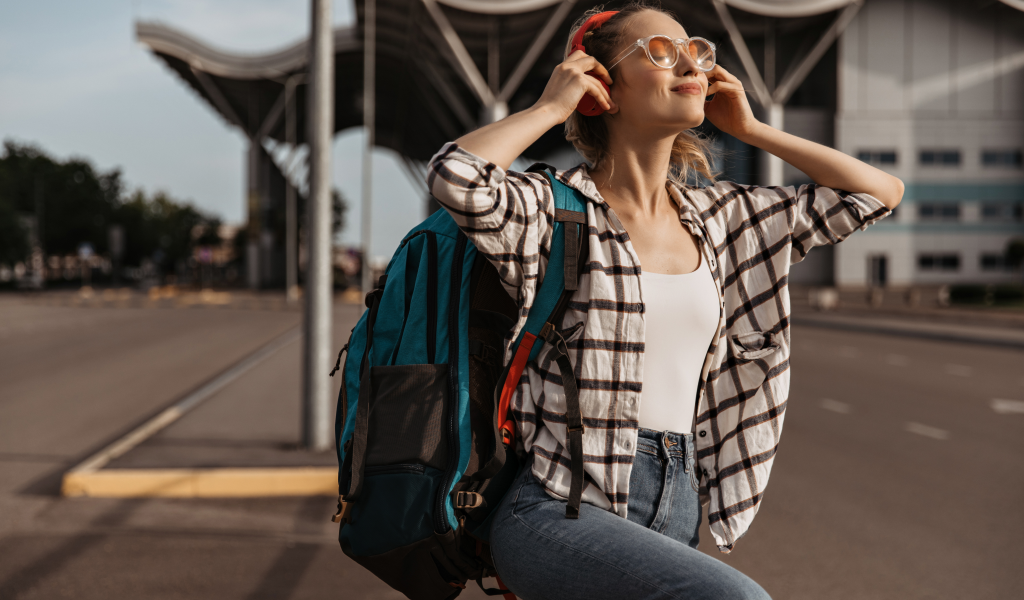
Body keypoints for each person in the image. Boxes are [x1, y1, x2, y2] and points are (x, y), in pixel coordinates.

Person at [426, 2, 902, 598]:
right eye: (660, 52)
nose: (692, 65)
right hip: (559, 507)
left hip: (678, 505)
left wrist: (753, 131)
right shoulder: (553, 211)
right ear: (604, 88)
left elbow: (878, 192)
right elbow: (456, 176)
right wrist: (550, 108)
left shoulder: (724, 218)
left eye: (696, 52)